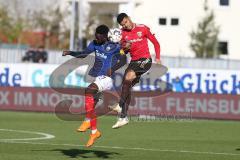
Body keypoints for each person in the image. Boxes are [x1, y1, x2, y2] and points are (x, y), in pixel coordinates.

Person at [62, 24, 126, 147]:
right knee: (92, 103)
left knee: (89, 90)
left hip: (107, 79)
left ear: (105, 36)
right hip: (98, 78)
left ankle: (88, 122)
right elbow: (84, 54)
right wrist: (70, 52)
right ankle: (94, 131)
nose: (97, 39)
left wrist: (113, 69)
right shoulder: (94, 44)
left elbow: (123, 60)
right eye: (95, 36)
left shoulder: (115, 46)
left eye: (99, 37)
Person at [110, 13, 161, 129]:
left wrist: (157, 57)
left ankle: (119, 105)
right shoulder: (122, 34)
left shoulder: (142, 28)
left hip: (145, 60)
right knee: (126, 86)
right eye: (123, 25)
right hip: (134, 62)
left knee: (128, 78)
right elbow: (124, 52)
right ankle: (123, 118)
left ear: (129, 19)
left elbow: (155, 43)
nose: (125, 26)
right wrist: (124, 49)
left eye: (126, 22)